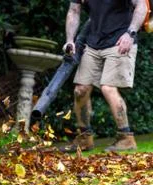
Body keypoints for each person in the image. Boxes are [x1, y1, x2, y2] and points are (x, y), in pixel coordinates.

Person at [61, 0, 148, 152]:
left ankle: (126, 137)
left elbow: (142, 5)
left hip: (121, 41)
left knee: (108, 87)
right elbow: (73, 11)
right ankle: (84, 138)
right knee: (80, 90)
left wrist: (131, 33)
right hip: (94, 42)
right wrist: (69, 41)